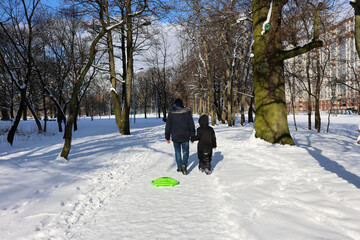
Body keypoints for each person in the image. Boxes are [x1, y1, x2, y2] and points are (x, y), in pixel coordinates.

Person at [165, 98, 195, 175]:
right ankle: (184, 164)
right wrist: (192, 136)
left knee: (177, 152)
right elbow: (191, 124)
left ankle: (179, 167)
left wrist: (167, 137)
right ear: (182, 104)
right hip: (185, 135)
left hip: (175, 136)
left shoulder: (171, 113)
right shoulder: (187, 112)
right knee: (185, 151)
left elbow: (168, 126)